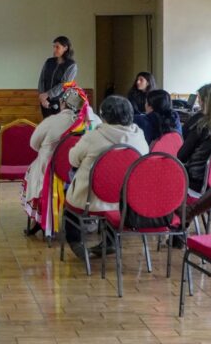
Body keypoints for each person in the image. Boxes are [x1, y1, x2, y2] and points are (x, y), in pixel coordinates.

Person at [65, 95, 148, 259]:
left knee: (69, 210)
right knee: (115, 191)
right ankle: (110, 241)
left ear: (104, 116)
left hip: (91, 200)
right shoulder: (139, 136)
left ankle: (76, 243)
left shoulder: (94, 136)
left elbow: (72, 159)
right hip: (125, 201)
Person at [22, 86, 85, 235]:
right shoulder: (83, 123)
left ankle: (39, 219)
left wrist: (45, 151)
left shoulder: (51, 121)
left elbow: (33, 143)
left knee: (34, 170)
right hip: (74, 172)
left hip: (49, 169)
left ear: (62, 103)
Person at [37, 36, 78, 118]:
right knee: (47, 126)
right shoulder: (49, 62)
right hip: (45, 101)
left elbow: (64, 84)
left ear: (65, 48)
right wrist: (42, 96)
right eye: (54, 47)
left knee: (59, 127)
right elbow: (42, 79)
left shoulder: (71, 65)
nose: (54, 49)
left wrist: (48, 94)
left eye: (57, 47)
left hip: (60, 102)